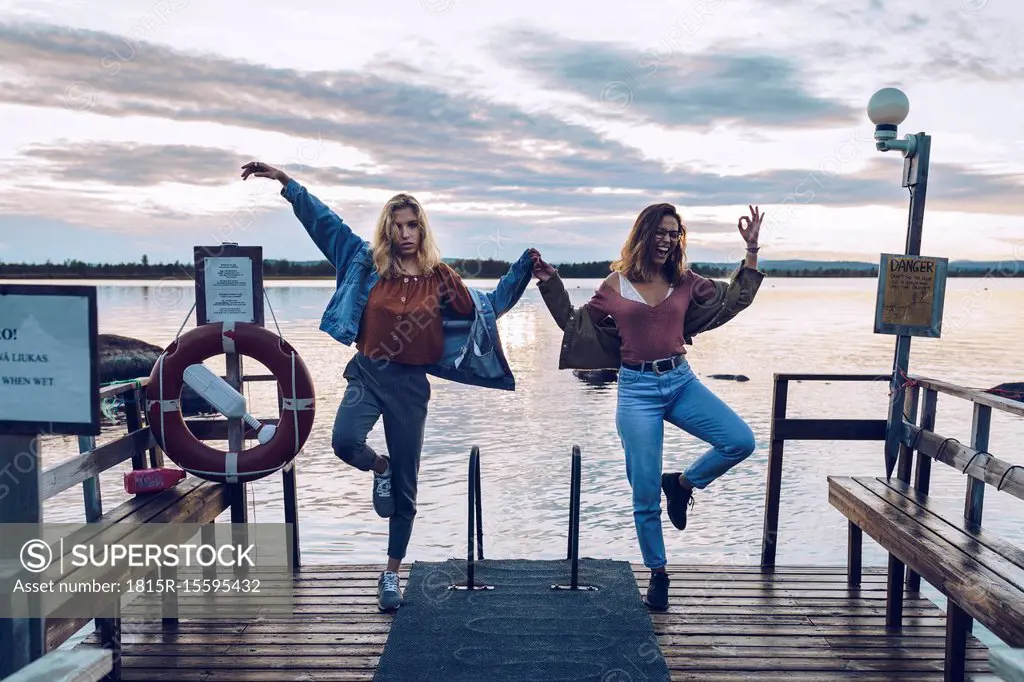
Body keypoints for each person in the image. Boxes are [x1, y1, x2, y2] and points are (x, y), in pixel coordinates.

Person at [241, 161, 535, 611]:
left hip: (410, 387)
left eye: (412, 224)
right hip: (368, 373)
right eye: (397, 225)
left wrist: (524, 269)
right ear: (387, 229)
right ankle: (378, 467)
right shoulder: (363, 261)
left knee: (408, 486)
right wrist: (286, 183)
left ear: (422, 229)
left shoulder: (441, 278)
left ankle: (391, 573)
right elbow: (325, 223)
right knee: (343, 442)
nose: (405, 233)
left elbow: (489, 307)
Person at [528, 203, 766, 611]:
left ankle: (683, 484)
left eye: (674, 233)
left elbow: (733, 300)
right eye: (660, 231)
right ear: (644, 234)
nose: (667, 240)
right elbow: (574, 322)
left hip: (681, 382)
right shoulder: (614, 285)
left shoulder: (687, 282)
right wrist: (550, 281)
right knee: (643, 490)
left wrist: (752, 250)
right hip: (637, 390)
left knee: (740, 441)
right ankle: (658, 573)